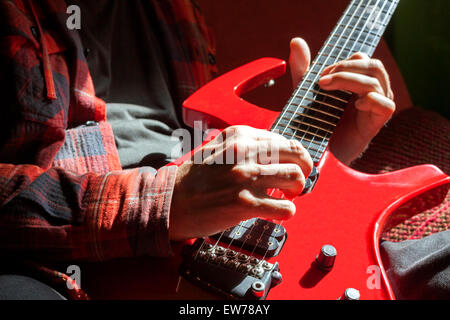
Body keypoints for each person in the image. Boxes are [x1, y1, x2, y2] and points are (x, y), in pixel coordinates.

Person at [0, 0, 442, 300]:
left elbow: (205, 138)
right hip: (70, 264)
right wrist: (164, 203)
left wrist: (326, 153)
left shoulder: (176, 9)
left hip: (232, 231)